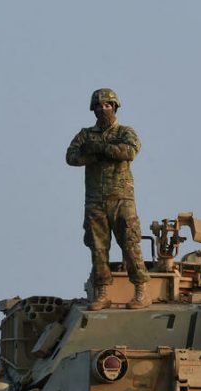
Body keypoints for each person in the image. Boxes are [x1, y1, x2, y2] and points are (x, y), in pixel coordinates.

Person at [66, 88, 151, 310]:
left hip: (121, 198)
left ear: (114, 107)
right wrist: (92, 154)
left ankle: (141, 292)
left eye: (107, 105)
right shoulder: (85, 135)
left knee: (130, 245)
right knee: (98, 248)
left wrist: (103, 149)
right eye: (99, 106)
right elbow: (71, 157)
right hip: (95, 200)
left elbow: (130, 151)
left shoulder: (125, 132)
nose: (103, 109)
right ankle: (102, 293)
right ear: (93, 109)